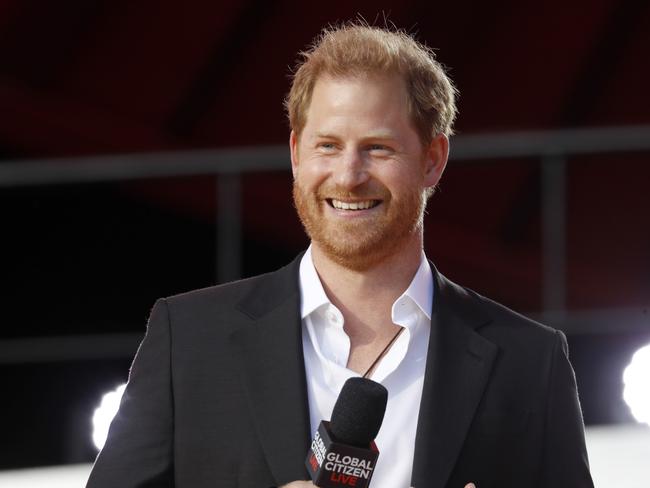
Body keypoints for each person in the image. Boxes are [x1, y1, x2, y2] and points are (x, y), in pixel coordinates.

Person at [86, 23, 594, 488]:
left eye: (378, 148)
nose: (349, 176)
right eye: (327, 145)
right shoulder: (189, 337)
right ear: (295, 154)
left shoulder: (530, 361)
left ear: (433, 160)